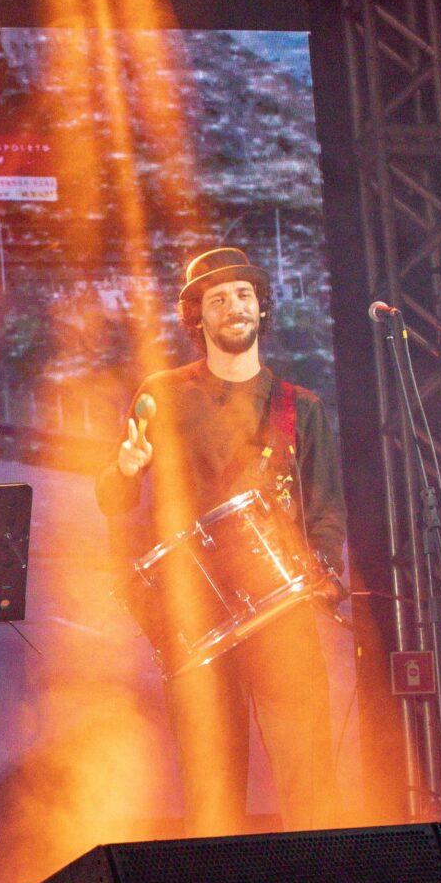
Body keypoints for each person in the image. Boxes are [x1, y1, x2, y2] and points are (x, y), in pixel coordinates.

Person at [97, 247, 346, 834]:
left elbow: (325, 514)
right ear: (198, 317)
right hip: (198, 611)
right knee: (212, 793)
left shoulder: (300, 408)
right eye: (218, 298)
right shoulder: (163, 393)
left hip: (282, 613)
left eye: (243, 295)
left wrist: (321, 571)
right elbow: (114, 499)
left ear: (261, 308)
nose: (234, 306)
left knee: (309, 781)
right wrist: (126, 469)